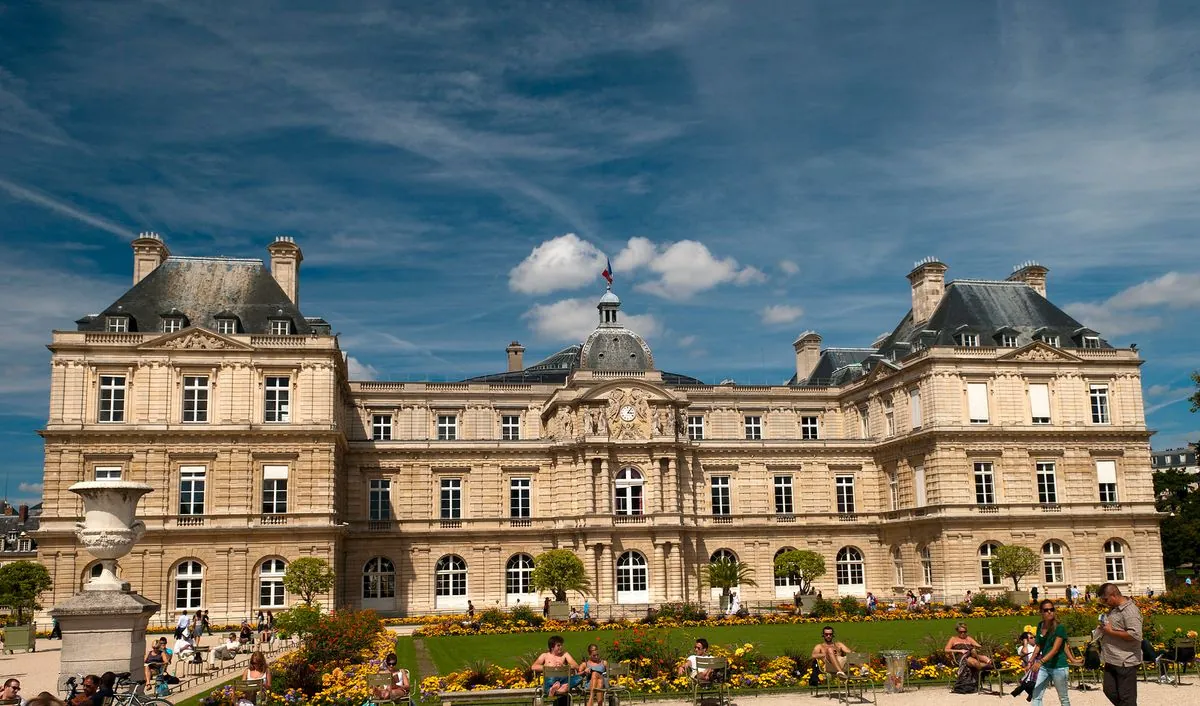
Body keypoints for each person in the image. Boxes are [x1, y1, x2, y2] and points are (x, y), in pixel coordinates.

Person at [1093, 583, 1141, 706]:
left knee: (1126, 698)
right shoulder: (1115, 609)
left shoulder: (1130, 611)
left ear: (1113, 595)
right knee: (1109, 690)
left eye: (1105, 599)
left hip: (1125, 660)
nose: (1104, 602)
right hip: (1111, 659)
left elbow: (1135, 635)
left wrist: (1111, 632)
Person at [1029, 599, 1071, 706]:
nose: (1049, 612)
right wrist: (1032, 659)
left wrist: (1040, 662)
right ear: (1041, 612)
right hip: (1045, 666)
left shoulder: (1059, 627)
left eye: (1051, 609)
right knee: (1036, 695)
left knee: (1063, 697)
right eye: (1046, 610)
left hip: (1059, 666)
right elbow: (1039, 645)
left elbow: (1055, 649)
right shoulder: (1040, 625)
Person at [531, 635, 581, 700]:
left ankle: (557, 689)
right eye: (558, 645)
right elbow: (534, 667)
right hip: (551, 679)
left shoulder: (565, 654)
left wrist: (564, 666)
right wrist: (548, 667)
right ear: (552, 647)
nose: (561, 647)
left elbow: (576, 666)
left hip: (564, 679)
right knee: (549, 683)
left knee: (579, 678)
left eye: (561, 645)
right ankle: (554, 689)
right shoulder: (545, 655)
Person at [1011, 631, 1039, 699]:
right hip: (1030, 667)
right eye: (1031, 638)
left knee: (1025, 681)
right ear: (1025, 640)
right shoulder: (1021, 648)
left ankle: (1020, 690)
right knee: (1027, 681)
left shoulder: (1037, 646)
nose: (1034, 639)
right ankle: (1030, 693)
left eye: (1034, 637)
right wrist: (1025, 643)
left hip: (1038, 666)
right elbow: (1025, 652)